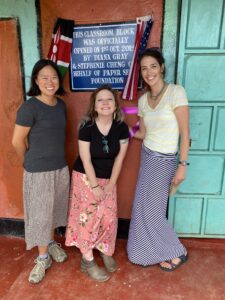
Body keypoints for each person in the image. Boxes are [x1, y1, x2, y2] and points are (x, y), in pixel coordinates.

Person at [127, 48, 190, 271]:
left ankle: (177, 251)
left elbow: (185, 133)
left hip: (164, 161)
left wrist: (182, 166)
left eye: (153, 66)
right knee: (142, 207)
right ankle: (144, 251)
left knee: (153, 210)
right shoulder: (143, 100)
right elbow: (142, 132)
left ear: (162, 67)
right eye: (144, 68)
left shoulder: (176, 92)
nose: (149, 72)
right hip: (147, 156)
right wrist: (122, 132)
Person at [12, 59, 70, 284]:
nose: (50, 81)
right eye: (44, 77)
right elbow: (17, 141)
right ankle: (42, 257)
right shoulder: (30, 107)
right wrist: (27, 162)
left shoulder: (61, 105)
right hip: (38, 170)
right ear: (36, 80)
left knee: (55, 209)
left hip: (59, 167)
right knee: (40, 214)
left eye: (54, 77)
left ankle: (52, 242)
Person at [65, 85, 129, 282]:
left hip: (109, 178)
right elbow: (85, 159)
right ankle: (88, 260)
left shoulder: (121, 128)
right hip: (85, 178)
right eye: (100, 100)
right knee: (87, 219)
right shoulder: (87, 127)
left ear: (116, 105)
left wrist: (110, 185)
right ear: (94, 105)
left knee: (108, 218)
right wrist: (94, 186)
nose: (105, 103)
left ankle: (104, 250)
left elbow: (119, 159)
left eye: (109, 99)